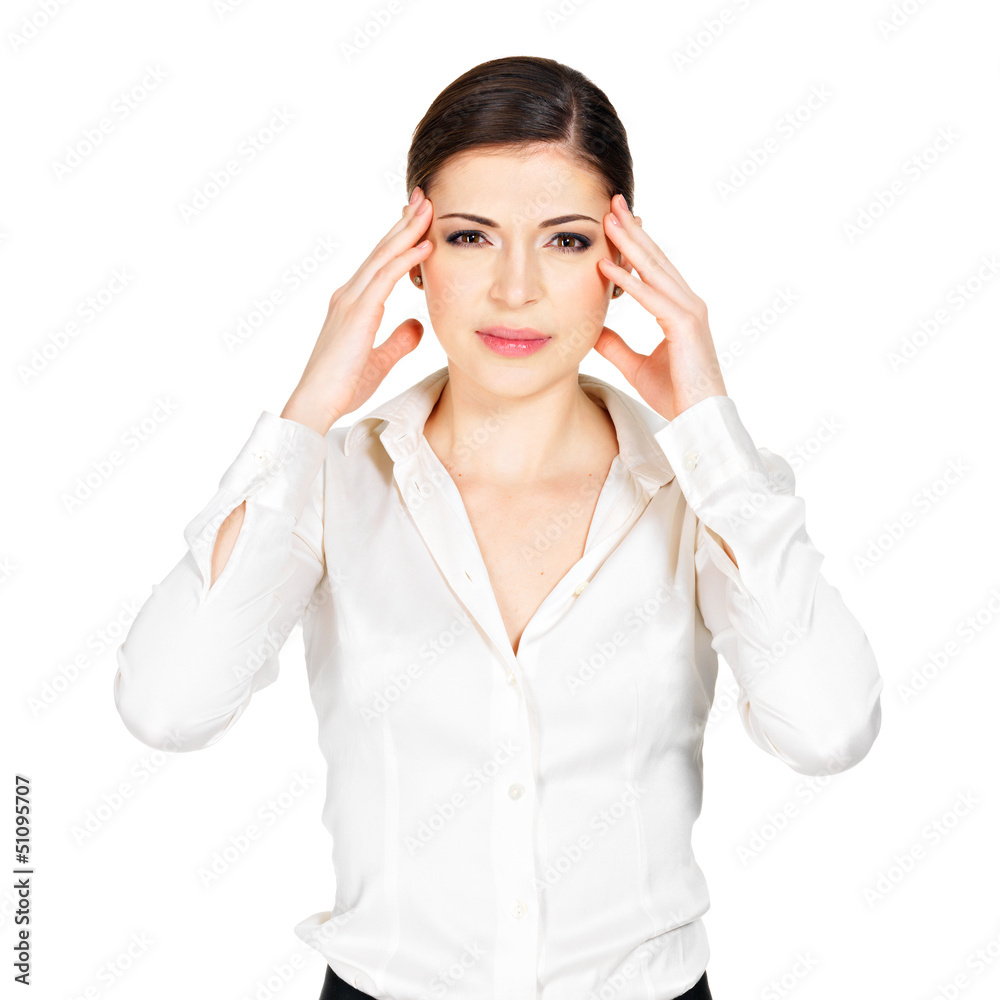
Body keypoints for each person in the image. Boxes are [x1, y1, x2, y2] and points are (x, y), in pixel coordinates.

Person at [113, 55, 883, 1000]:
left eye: (564, 241)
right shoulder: (331, 480)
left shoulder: (705, 495)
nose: (515, 288)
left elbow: (831, 731)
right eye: (472, 236)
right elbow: (167, 706)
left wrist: (709, 421)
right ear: (414, 249)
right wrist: (307, 410)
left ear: (622, 266)